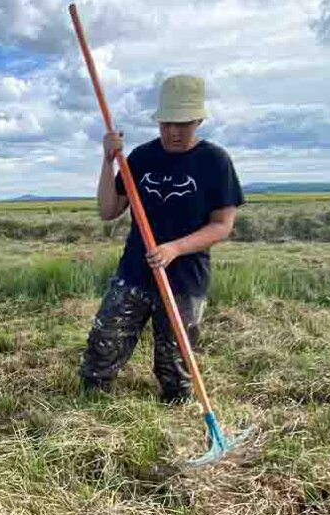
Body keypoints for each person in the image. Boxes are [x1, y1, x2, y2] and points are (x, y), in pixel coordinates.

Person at [80, 74, 244, 404]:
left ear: (198, 120)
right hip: (135, 274)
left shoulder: (215, 162)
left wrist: (175, 248)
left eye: (182, 124)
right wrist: (107, 160)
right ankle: (90, 404)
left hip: (184, 279)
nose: (172, 132)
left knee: (175, 368)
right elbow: (108, 209)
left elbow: (223, 225)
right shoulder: (141, 158)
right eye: (167, 123)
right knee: (102, 347)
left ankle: (176, 412)